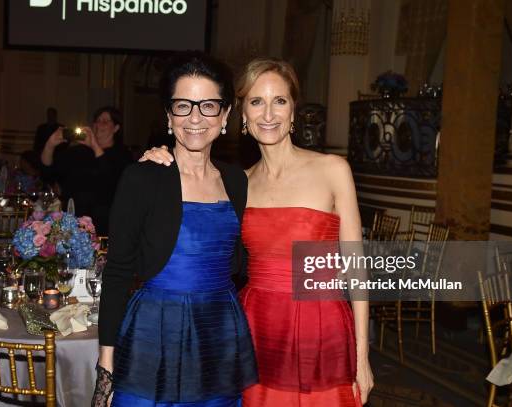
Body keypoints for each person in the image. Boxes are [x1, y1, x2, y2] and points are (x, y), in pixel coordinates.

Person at [141, 58, 374, 406]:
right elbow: (193, 233)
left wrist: (362, 356)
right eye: (256, 101)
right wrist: (159, 163)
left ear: (293, 110)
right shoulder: (237, 183)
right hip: (255, 328)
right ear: (242, 116)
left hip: (321, 326)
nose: (269, 113)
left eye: (279, 100)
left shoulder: (333, 170)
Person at [95, 53, 257, 407]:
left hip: (218, 332)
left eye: (209, 105)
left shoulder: (236, 180)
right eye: (183, 106)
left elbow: (243, 262)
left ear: (226, 114)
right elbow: (119, 271)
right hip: (154, 333)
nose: (196, 117)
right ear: (169, 115)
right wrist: (106, 362)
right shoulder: (142, 177)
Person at [41, 106, 132, 235]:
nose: (99, 125)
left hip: (102, 224)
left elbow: (111, 180)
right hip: (72, 220)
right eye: (97, 121)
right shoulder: (79, 151)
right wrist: (50, 144)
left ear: (116, 128)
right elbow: (47, 172)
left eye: (105, 121)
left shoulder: (121, 155)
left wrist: (95, 145)